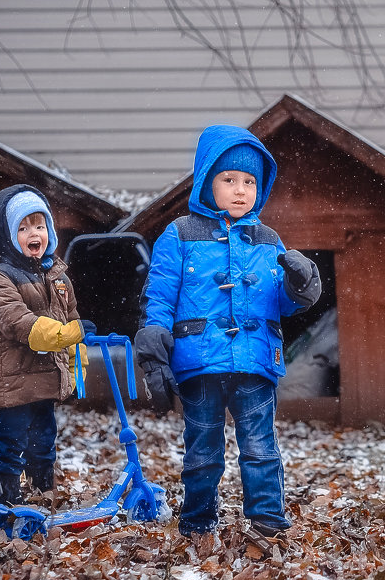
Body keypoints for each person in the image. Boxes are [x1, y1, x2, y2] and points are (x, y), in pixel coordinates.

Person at [136, 125, 321, 542]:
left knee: (260, 449)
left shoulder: (268, 239)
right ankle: (198, 521)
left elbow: (282, 303)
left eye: (250, 182)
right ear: (206, 180)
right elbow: (161, 295)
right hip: (199, 362)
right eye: (229, 180)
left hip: (255, 361)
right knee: (202, 450)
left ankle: (268, 522)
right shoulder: (180, 234)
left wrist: (299, 284)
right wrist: (154, 350)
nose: (241, 190)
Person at [0, 184, 94, 506]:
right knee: (10, 441)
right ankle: (6, 498)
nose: (35, 233)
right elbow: (21, 324)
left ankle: (43, 491)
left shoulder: (58, 278)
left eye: (40, 225)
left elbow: (72, 319)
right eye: (23, 226)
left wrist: (77, 362)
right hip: (13, 383)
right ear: (6, 236)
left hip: (44, 379)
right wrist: (69, 334)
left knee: (44, 441)